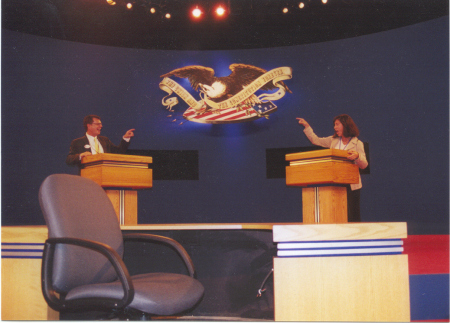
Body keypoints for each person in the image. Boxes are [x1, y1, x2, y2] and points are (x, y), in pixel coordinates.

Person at [297, 114, 368, 222]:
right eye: (334, 125)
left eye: (337, 124)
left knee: (352, 215)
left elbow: (364, 164)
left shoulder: (357, 143)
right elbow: (316, 140)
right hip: (336, 183)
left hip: (351, 185)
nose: (334, 127)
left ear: (345, 125)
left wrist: (358, 156)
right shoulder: (333, 140)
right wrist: (307, 127)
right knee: (337, 213)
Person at [66, 114, 135, 167]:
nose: (101, 126)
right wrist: (80, 156)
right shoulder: (78, 142)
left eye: (101, 124)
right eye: (98, 124)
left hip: (105, 176)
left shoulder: (105, 140)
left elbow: (119, 152)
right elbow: (69, 160)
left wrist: (126, 138)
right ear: (89, 126)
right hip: (87, 179)